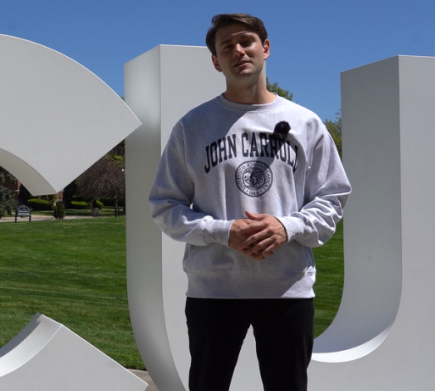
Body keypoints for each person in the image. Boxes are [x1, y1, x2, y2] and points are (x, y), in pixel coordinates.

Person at [148, 13, 351, 391]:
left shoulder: (305, 123)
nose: (238, 50)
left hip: (287, 287)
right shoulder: (192, 127)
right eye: (227, 46)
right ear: (215, 61)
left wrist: (286, 226)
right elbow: (164, 205)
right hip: (214, 289)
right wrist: (224, 232)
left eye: (246, 41)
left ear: (266, 48)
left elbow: (332, 197)